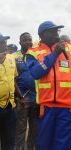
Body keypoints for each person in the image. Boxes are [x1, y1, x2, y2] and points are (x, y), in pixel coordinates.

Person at [26, 21, 71, 150]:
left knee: (63, 145)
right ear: (43, 34)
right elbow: (36, 73)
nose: (56, 34)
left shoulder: (68, 48)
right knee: (44, 143)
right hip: (46, 108)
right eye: (53, 31)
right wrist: (54, 54)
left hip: (67, 107)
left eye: (58, 31)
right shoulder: (33, 52)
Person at [14, 32, 36, 150]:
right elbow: (12, 78)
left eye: (30, 40)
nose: (28, 42)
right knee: (21, 127)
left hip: (36, 97)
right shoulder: (14, 56)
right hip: (22, 97)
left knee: (34, 128)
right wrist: (19, 96)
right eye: (25, 40)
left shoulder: (36, 56)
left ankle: (30, 147)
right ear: (20, 42)